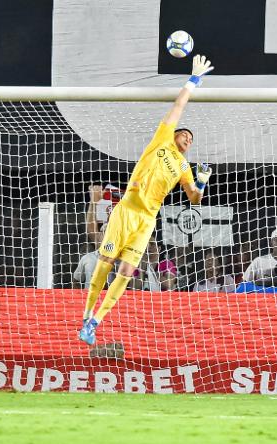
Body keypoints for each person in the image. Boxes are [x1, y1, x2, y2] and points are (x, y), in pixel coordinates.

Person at [79, 55, 214, 345]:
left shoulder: (184, 167)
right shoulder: (162, 140)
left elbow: (195, 199)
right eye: (185, 134)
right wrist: (194, 80)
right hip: (127, 209)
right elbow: (178, 107)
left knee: (127, 272)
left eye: (191, 139)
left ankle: (94, 322)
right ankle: (86, 311)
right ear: (174, 134)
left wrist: (201, 181)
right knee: (105, 261)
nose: (188, 139)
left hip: (146, 219)